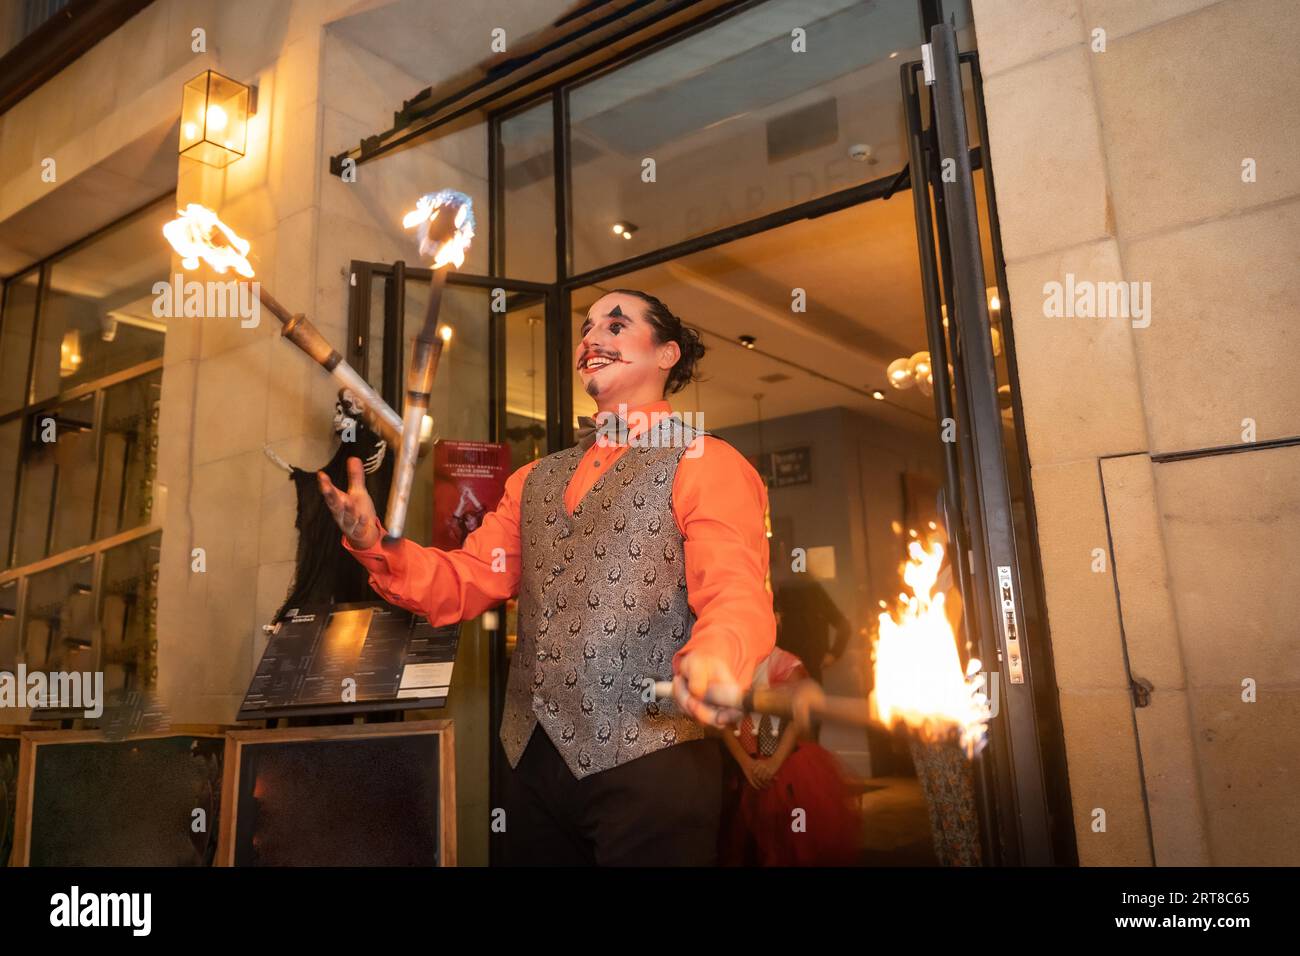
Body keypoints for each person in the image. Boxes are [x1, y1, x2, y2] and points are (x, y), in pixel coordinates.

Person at [317, 289, 776, 865]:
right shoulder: (534, 478)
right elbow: (468, 577)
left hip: (652, 764)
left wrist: (718, 656)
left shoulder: (706, 462)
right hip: (531, 763)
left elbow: (736, 591)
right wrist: (373, 543)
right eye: (586, 329)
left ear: (667, 355)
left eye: (615, 325)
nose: (591, 338)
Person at [718, 646, 862, 866]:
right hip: (741, 766)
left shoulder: (785, 664)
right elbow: (720, 720)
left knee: (792, 833)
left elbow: (797, 719)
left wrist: (774, 762)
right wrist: (745, 762)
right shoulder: (724, 664)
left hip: (786, 767)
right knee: (747, 841)